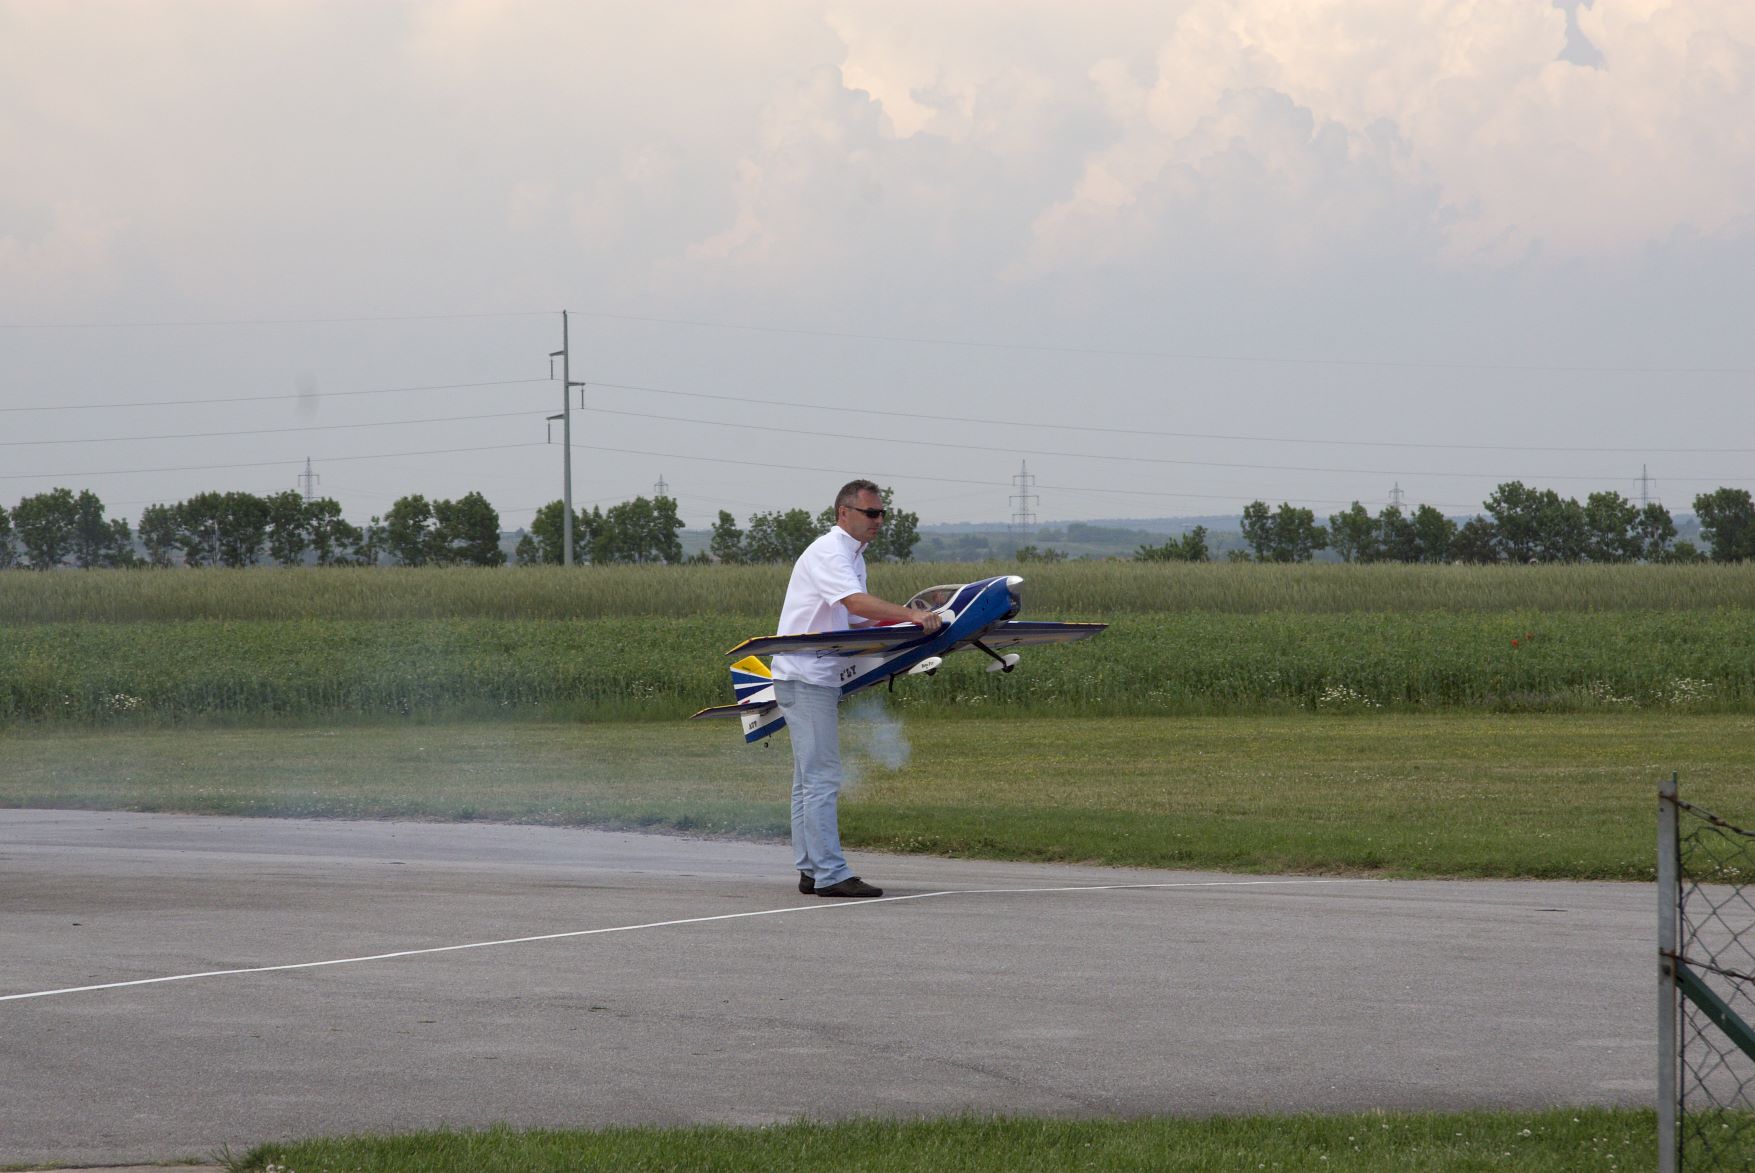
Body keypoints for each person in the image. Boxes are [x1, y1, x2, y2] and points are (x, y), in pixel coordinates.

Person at [772, 480, 942, 898]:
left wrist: (907, 619)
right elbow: (855, 603)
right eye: (871, 513)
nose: (878, 520)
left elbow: (855, 619)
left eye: (882, 513)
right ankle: (831, 874)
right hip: (806, 676)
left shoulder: (853, 556)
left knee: (808, 779)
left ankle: (811, 869)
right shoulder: (830, 551)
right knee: (823, 777)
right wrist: (910, 616)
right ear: (843, 513)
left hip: (814, 675)